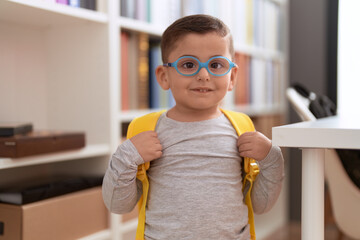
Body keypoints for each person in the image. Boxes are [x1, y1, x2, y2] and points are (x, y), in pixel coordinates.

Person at [102, 14, 284, 240]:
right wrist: (126, 156)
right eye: (188, 64)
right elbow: (118, 205)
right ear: (163, 76)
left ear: (233, 76)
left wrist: (272, 157)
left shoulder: (242, 129)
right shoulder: (146, 130)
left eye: (216, 64)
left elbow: (261, 205)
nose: (204, 75)